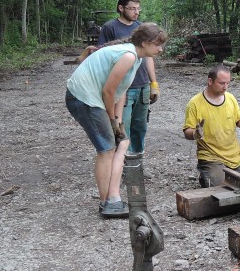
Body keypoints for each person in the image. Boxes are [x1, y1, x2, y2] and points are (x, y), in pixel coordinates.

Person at [66, 23, 168, 218]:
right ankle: (106, 203)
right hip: (83, 98)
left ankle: (114, 197)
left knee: (122, 142)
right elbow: (108, 91)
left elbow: (120, 91)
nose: (160, 49)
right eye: (158, 45)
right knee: (106, 149)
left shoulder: (136, 57)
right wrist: (111, 118)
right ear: (145, 43)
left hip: (92, 98)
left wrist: (118, 122)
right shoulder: (128, 56)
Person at [99, 0, 160, 157]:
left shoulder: (141, 28)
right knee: (121, 126)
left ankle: (137, 160)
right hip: (123, 87)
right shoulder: (109, 28)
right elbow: (103, 56)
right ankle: (122, 162)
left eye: (138, 8)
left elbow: (148, 56)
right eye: (132, 8)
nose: (136, 12)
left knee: (140, 126)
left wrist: (153, 83)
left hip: (142, 84)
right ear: (121, 8)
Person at [182, 65, 240, 187]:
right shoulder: (194, 103)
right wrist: (195, 133)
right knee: (219, 190)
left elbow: (239, 121)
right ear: (210, 81)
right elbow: (187, 131)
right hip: (211, 156)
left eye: (227, 83)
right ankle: (206, 176)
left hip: (235, 154)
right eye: (221, 83)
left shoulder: (230, 98)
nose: (225, 87)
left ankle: (223, 174)